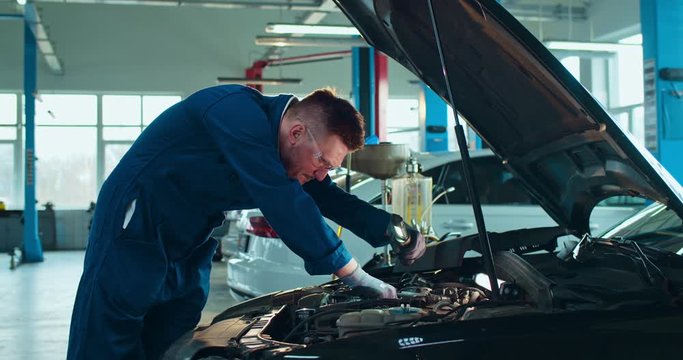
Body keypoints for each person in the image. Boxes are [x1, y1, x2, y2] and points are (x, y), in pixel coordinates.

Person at [67, 84, 426, 359]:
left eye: (330, 168)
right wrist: (356, 275)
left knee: (173, 335)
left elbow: (328, 197)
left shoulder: (290, 154)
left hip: (190, 240)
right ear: (297, 132)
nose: (321, 175)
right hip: (136, 226)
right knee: (110, 335)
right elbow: (280, 198)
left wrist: (393, 229)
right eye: (323, 162)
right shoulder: (235, 112)